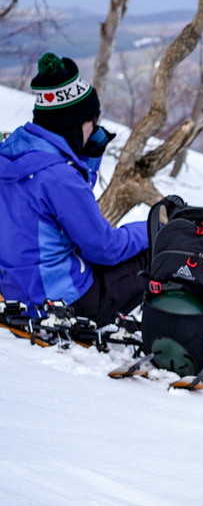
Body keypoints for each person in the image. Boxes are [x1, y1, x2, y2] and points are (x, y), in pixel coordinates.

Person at [0, 52, 144, 324]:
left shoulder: (11, 156)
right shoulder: (58, 176)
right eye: (92, 122)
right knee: (156, 253)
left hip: (13, 292)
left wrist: (84, 160)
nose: (95, 129)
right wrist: (152, 229)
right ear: (76, 122)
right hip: (62, 302)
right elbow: (104, 248)